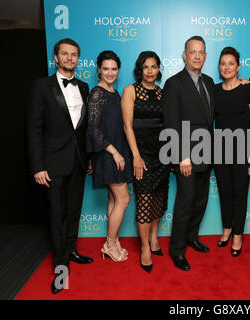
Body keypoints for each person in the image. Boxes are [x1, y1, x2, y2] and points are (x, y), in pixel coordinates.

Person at [26, 38, 93, 294]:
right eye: (65, 54)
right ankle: (61, 267)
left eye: (74, 54)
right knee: (57, 215)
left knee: (74, 210)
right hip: (52, 163)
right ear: (56, 57)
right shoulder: (41, 86)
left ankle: (72, 250)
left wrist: (87, 157)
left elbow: (82, 129)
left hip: (77, 160)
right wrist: (37, 166)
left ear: (78, 58)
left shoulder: (84, 87)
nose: (69, 58)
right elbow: (33, 129)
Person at [163, 35, 215, 271]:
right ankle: (177, 250)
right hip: (186, 155)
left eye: (201, 52)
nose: (197, 56)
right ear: (184, 54)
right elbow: (171, 123)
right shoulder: (174, 83)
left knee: (200, 200)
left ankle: (192, 237)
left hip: (207, 151)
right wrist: (182, 155)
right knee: (185, 201)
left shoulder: (210, 82)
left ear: (205, 56)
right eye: (192, 51)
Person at [121, 51, 170, 273]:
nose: (150, 71)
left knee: (159, 199)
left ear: (159, 69)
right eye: (145, 67)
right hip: (142, 155)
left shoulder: (162, 93)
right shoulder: (130, 91)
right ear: (139, 69)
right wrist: (136, 156)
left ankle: (153, 238)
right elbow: (127, 126)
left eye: (154, 66)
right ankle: (144, 249)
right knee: (144, 203)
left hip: (162, 154)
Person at [86, 50, 132, 263]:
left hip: (117, 152)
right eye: (106, 68)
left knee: (114, 199)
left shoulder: (114, 93)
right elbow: (93, 129)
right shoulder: (97, 93)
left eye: (114, 69)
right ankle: (110, 244)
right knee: (123, 199)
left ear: (118, 70)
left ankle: (113, 241)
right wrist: (114, 152)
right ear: (98, 69)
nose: (110, 73)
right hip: (108, 154)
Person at [214, 47, 250, 257]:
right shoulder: (214, 90)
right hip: (219, 148)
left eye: (231, 63)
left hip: (243, 148)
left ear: (238, 66)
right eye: (223, 63)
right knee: (225, 191)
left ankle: (238, 235)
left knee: (240, 193)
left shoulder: (248, 88)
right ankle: (227, 229)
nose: (227, 67)